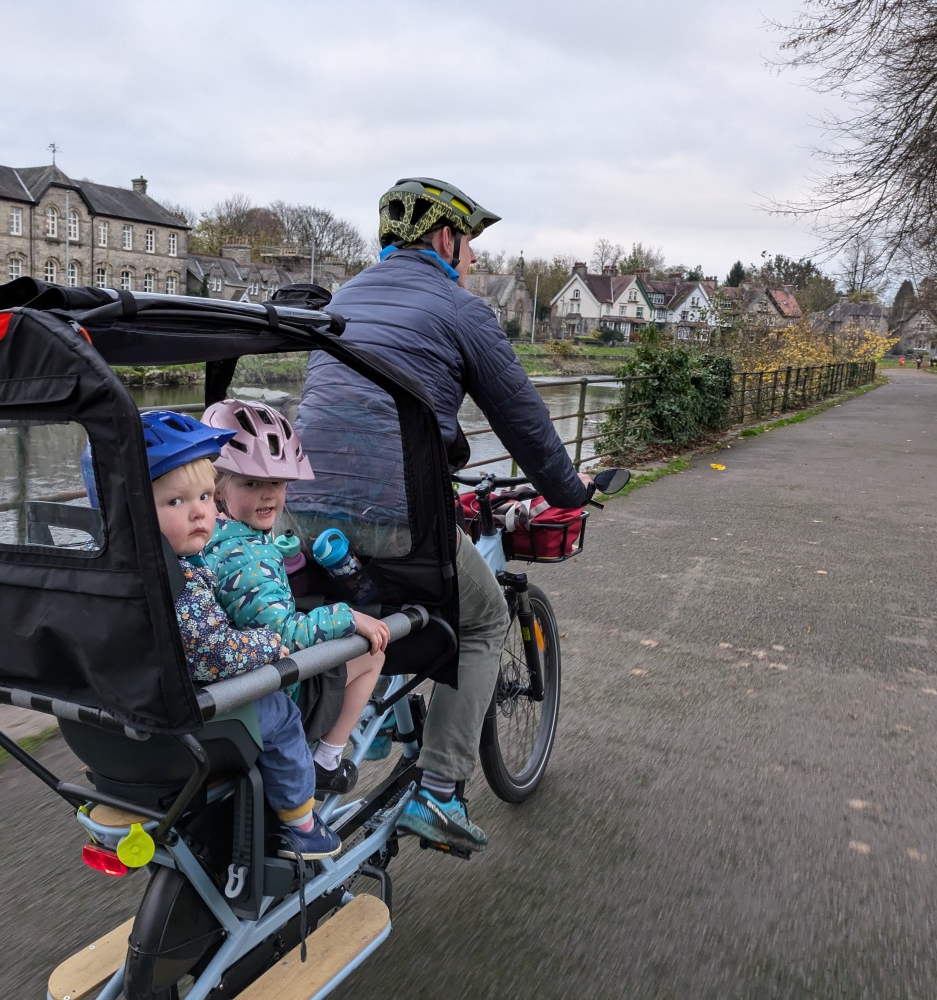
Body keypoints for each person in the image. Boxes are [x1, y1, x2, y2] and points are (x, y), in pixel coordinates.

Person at [293, 178, 597, 856]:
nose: (473, 262)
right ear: (443, 238)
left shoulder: (341, 299)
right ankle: (439, 791)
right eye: (470, 247)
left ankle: (359, 728)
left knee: (357, 600)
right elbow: (523, 419)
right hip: (394, 515)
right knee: (484, 616)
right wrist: (569, 490)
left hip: (299, 508)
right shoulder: (461, 309)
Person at [137, 409, 342, 861]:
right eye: (176, 503)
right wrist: (271, 644)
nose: (199, 513)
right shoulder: (183, 581)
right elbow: (214, 656)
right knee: (282, 716)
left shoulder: (126, 568)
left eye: (206, 497)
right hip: (199, 707)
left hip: (140, 701)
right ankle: (302, 824)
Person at [197, 398, 389, 795]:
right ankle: (326, 759)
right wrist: (349, 617)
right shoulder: (247, 557)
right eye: (252, 483)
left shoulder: (205, 536)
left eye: (278, 483)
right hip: (275, 693)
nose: (269, 496)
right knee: (373, 654)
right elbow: (283, 635)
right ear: (218, 487)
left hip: (231, 682)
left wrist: (276, 550)